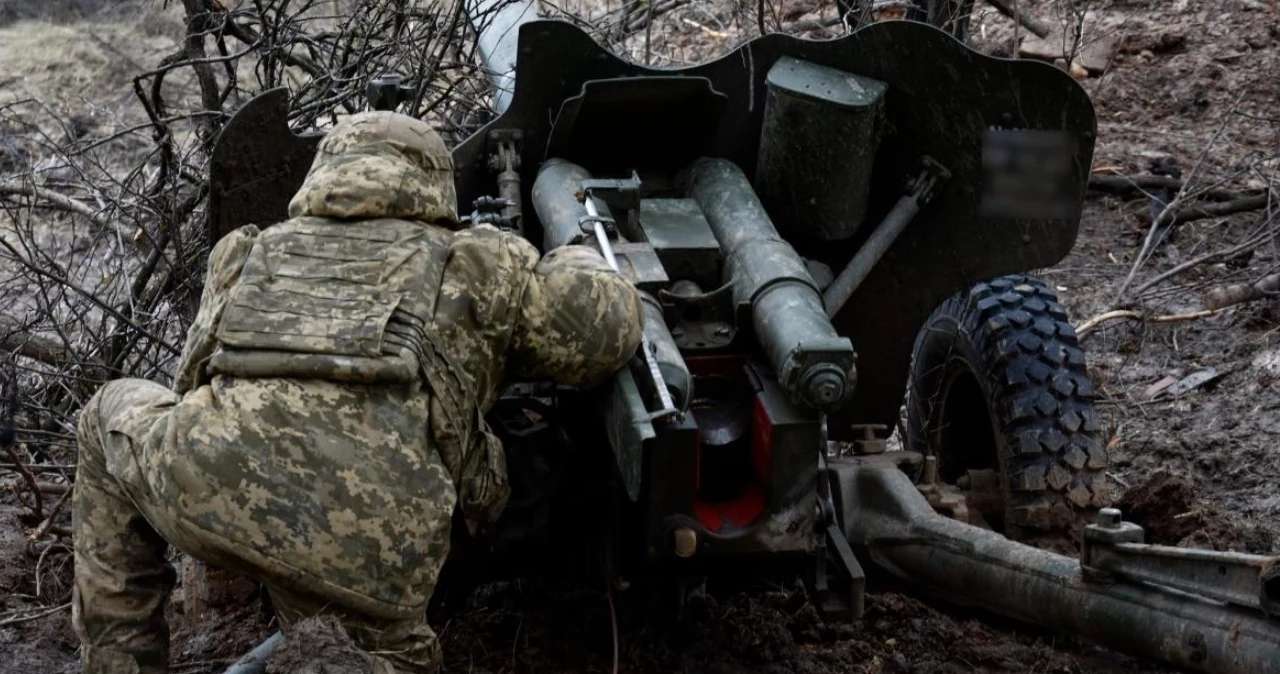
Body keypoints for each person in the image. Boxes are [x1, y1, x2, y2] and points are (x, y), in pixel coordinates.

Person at [71, 111, 644, 674]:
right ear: (434, 183)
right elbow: (601, 334)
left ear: (324, 172)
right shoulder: (483, 261)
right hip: (370, 549)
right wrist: (575, 254)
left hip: (210, 487)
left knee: (105, 418)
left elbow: (189, 381)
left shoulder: (248, 251)